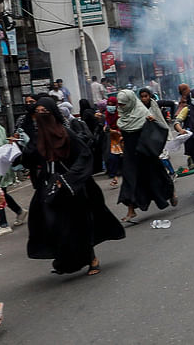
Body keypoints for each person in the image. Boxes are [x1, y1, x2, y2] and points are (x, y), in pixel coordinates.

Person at [24, 97, 125, 275]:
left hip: (73, 188)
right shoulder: (39, 137)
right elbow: (29, 159)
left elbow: (84, 155)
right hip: (50, 189)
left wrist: (70, 177)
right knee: (53, 225)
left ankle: (92, 258)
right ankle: (66, 260)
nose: (41, 116)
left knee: (80, 224)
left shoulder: (65, 133)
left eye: (44, 112)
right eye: (38, 112)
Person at [116, 90, 175, 222]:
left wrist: (152, 122)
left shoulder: (143, 114)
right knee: (129, 180)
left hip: (145, 153)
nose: (121, 107)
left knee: (157, 175)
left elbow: (156, 129)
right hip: (131, 155)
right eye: (120, 104)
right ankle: (131, 210)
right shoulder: (122, 116)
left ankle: (171, 193)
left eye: (123, 104)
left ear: (130, 102)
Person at [0, 124, 26, 235]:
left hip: (0, 167)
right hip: (2, 166)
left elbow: (0, 147)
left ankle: (3, 224)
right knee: (2, 193)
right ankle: (19, 211)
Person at [103, 97, 122, 188]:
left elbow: (122, 124)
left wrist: (117, 131)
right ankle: (115, 178)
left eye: (112, 105)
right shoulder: (106, 114)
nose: (110, 106)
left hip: (121, 137)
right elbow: (106, 123)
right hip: (112, 139)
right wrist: (106, 127)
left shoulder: (120, 113)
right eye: (109, 104)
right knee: (112, 157)